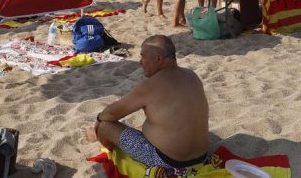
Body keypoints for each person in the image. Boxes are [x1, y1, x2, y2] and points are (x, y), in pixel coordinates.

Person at [81, 35, 209, 169]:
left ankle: (99, 138)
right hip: (201, 157)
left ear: (158, 59)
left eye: (143, 56)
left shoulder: (151, 86)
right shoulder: (191, 75)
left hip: (168, 162)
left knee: (105, 126)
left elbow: (110, 114)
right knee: (153, 123)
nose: (140, 62)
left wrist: (98, 122)